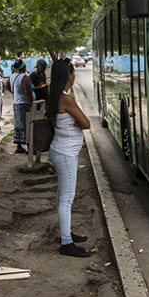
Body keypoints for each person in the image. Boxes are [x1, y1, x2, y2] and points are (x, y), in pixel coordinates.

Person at [47, 58, 92, 257]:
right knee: (66, 199)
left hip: (61, 150)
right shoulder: (66, 99)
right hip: (66, 153)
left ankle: (67, 233)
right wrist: (77, 124)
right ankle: (66, 243)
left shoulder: (55, 96)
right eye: (73, 72)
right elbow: (87, 123)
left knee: (61, 197)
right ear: (68, 75)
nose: (74, 75)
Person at [9, 59, 32, 154]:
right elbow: (28, 91)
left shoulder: (12, 76)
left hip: (16, 103)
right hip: (24, 104)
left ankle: (19, 146)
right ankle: (29, 147)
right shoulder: (24, 77)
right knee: (27, 124)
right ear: (24, 67)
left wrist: (15, 93)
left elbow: (7, 86)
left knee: (18, 125)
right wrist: (31, 102)